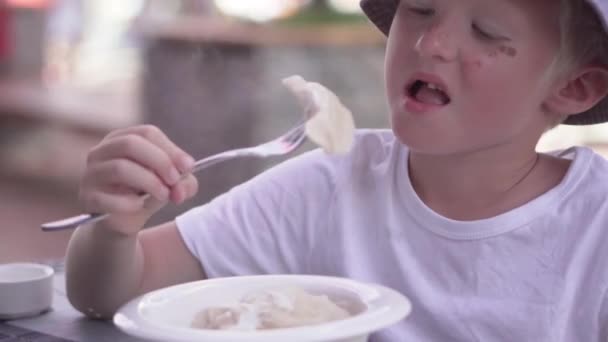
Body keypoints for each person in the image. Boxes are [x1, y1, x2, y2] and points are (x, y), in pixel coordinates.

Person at [65, 0, 608, 340]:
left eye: (487, 31)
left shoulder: (594, 231)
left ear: (574, 87)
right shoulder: (328, 186)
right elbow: (108, 294)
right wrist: (112, 226)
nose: (431, 42)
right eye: (419, 8)